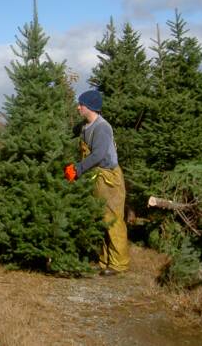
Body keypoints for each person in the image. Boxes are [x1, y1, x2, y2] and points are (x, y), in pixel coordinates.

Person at [65, 89, 130, 276]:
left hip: (109, 178)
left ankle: (119, 264)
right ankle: (105, 261)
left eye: (81, 105)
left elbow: (98, 155)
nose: (78, 107)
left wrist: (77, 169)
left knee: (113, 219)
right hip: (97, 177)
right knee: (102, 219)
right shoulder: (85, 126)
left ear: (90, 107)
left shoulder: (101, 127)